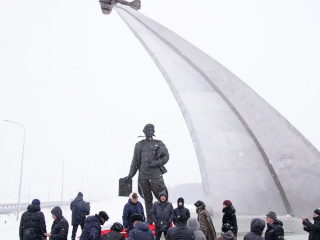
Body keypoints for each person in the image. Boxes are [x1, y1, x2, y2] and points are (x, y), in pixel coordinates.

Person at [123, 124, 169, 224]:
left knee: (162, 198)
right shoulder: (139, 145)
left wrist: (156, 163)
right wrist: (130, 175)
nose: (149, 132)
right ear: (144, 131)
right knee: (148, 200)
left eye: (151, 130)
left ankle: (164, 219)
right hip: (143, 176)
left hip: (155, 175)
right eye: (147, 130)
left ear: (153, 132)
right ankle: (150, 220)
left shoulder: (159, 143)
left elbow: (166, 157)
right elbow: (135, 162)